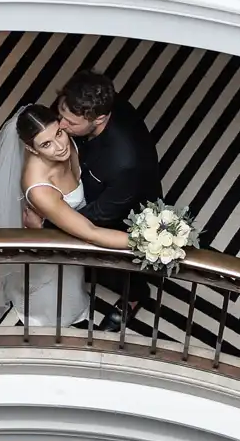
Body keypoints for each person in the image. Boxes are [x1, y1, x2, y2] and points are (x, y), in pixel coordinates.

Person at [0, 103, 129, 324]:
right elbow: (90, 232)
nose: (60, 146)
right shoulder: (39, 189)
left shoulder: (68, 138)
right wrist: (143, 243)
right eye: (46, 144)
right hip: (59, 236)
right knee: (59, 280)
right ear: (32, 149)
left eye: (59, 133)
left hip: (82, 219)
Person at [55, 70, 165, 325]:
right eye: (61, 115)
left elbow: (103, 214)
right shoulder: (78, 105)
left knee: (111, 260)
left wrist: (54, 220)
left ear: (100, 118)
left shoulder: (124, 161)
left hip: (123, 209)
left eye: (70, 123)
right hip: (90, 186)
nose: (61, 125)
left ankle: (136, 294)